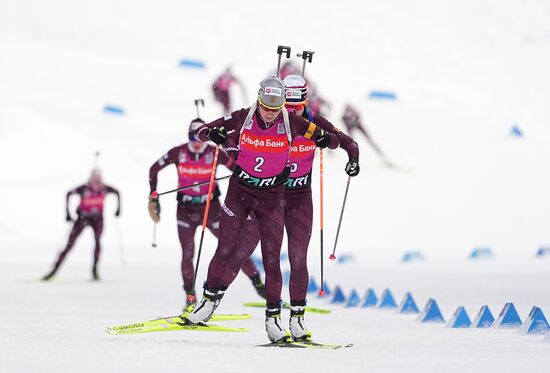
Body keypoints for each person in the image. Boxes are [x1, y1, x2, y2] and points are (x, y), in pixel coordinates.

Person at [182, 76, 337, 343]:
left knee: (271, 260)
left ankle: (275, 320)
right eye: (265, 104)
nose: (269, 110)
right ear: (259, 99)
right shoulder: (244, 116)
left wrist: (326, 140)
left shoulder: (293, 123)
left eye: (275, 105)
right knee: (226, 249)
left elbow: (333, 140)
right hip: (240, 193)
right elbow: (203, 131)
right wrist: (214, 135)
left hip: (272, 198)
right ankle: (207, 303)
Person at [215, 75, 360, 341]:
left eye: (295, 106)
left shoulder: (313, 123)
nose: (289, 111)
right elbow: (238, 140)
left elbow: (347, 142)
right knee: (239, 251)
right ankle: (210, 301)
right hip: (267, 195)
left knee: (297, 259)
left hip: (298, 198)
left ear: (306, 101)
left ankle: (297, 320)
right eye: (286, 106)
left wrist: (353, 160)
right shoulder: (273, 119)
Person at [148, 118, 265, 308]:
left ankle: (259, 285)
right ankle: (190, 297)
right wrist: (153, 195)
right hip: (185, 210)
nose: (196, 143)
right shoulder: (178, 152)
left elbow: (237, 168)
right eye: (192, 138)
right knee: (188, 253)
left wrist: (249, 178)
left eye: (200, 139)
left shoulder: (215, 152)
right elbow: (154, 169)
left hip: (211, 209)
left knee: (232, 248)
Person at [42, 169, 120, 281]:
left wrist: (118, 209)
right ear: (91, 177)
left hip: (98, 219)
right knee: (69, 244)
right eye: (95, 178)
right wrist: (67, 213)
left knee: (98, 242)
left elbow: (117, 192)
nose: (97, 180)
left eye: (99, 178)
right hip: (83, 218)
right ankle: (54, 271)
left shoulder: (105, 188)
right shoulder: (84, 188)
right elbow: (68, 193)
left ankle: (94, 270)